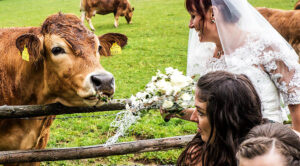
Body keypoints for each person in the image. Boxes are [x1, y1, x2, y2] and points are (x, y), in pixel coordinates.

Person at [184, 0, 300, 132]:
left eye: (193, 16)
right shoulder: (208, 53)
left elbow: (296, 97)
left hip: (262, 141)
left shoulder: (264, 46)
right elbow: (215, 112)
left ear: (213, 13)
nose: (190, 25)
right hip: (222, 144)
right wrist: (175, 110)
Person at [170, 71, 263, 165]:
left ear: (225, 119)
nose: (193, 117)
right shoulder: (199, 152)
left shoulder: (260, 160)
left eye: (200, 113)